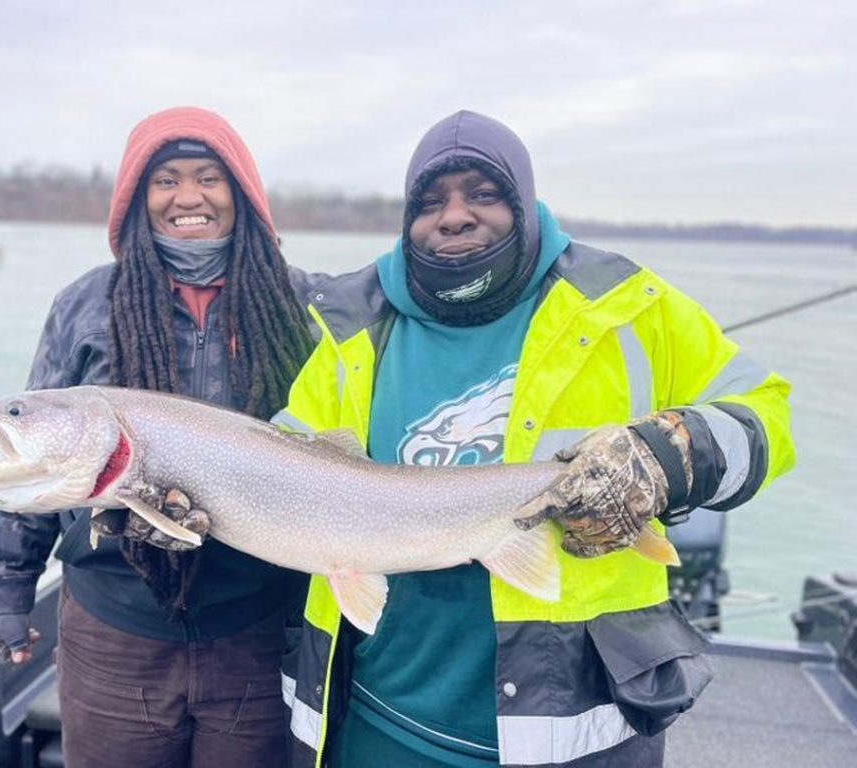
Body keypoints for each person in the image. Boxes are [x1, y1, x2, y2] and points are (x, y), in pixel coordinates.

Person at [276, 111, 795, 767]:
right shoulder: (352, 327)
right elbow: (284, 453)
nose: (455, 216)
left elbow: (766, 410)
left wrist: (673, 454)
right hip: (378, 720)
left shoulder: (625, 303)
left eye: (483, 194)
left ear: (523, 202)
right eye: (430, 201)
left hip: (574, 731)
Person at [0, 106, 320, 768]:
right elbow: (35, 458)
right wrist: (6, 587)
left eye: (209, 177)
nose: (188, 197)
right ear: (137, 200)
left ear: (241, 194)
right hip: (114, 631)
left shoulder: (300, 303)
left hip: (256, 628)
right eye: (165, 179)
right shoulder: (86, 303)